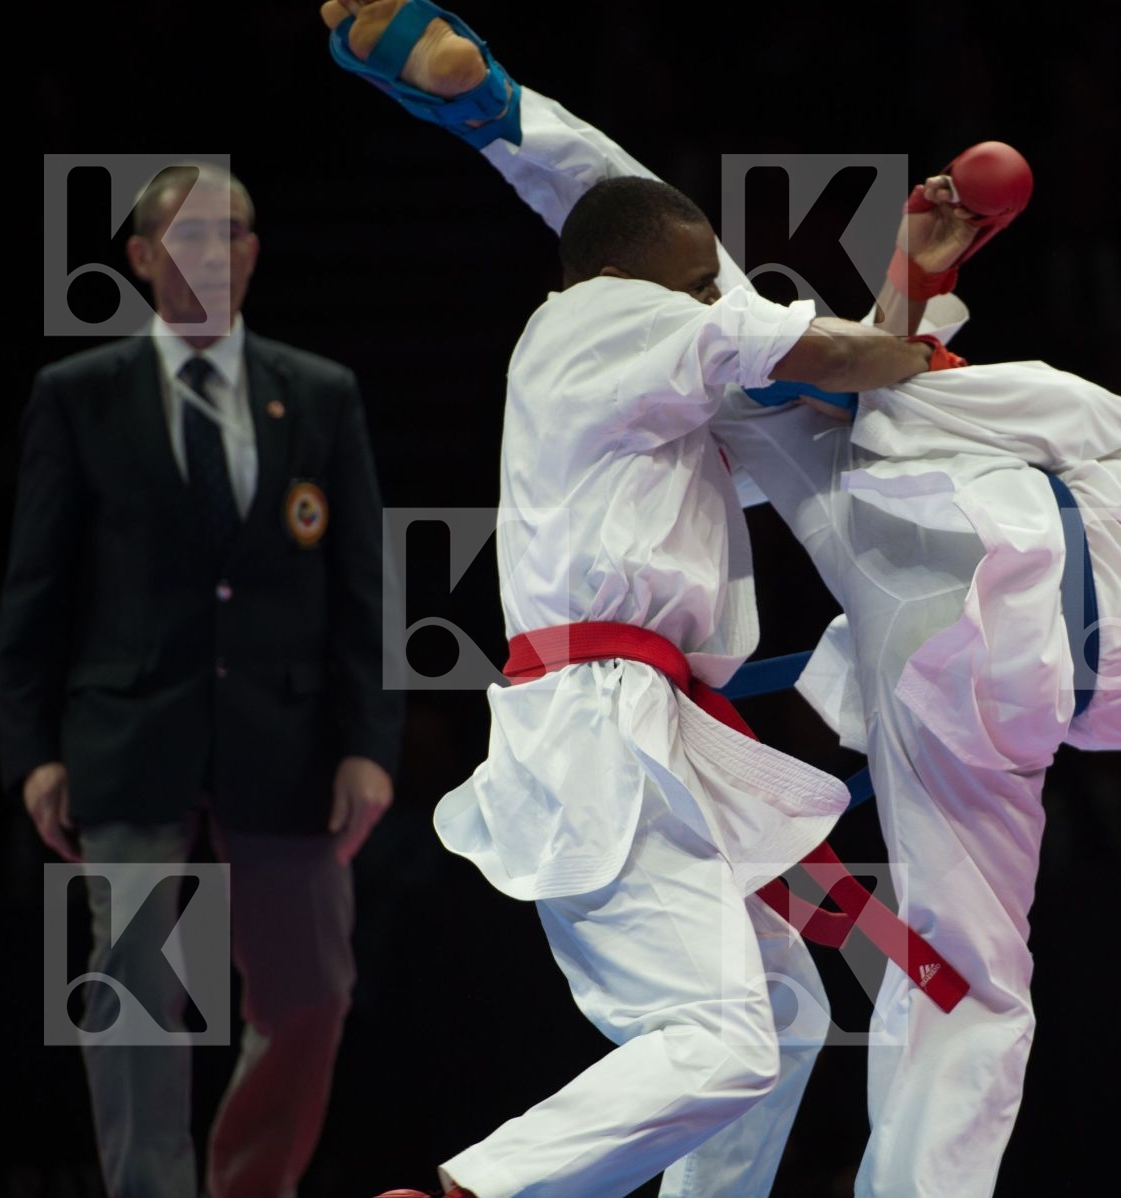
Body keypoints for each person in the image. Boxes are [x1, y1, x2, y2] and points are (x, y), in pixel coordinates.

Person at [324, 3, 1121, 1195]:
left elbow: (1049, 409)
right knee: (970, 996)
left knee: (713, 296)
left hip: (945, 560)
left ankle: (503, 114)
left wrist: (903, 351)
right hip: (1009, 712)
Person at [322, 6, 950, 1197]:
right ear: (654, 276)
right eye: (701, 278)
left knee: (783, 1012)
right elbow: (826, 363)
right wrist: (919, 347)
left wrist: (909, 291)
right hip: (605, 724)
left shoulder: (637, 381)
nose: (716, 294)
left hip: (630, 714)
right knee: (723, 1038)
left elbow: (795, 411)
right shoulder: (613, 314)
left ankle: (491, 106)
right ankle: (470, 1191)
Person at [0, 161, 406, 1198]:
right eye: (191, 236)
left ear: (255, 254)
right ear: (141, 257)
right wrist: (32, 751)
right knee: (134, 995)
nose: (215, 254)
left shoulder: (319, 392)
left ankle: (247, 1186)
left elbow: (365, 587)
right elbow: (36, 588)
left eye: (233, 235)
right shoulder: (78, 396)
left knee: (311, 995)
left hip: (289, 738)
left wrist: (369, 746)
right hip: (128, 734)